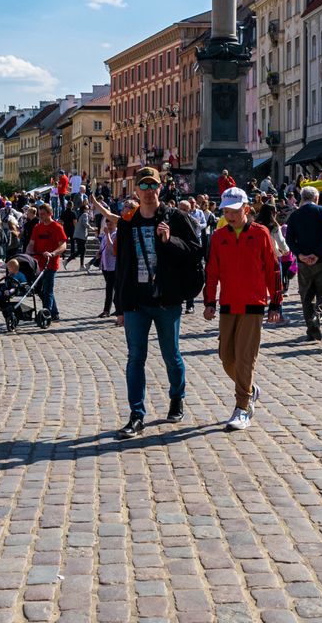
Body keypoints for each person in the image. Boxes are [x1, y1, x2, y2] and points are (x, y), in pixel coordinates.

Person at [112, 167, 205, 440]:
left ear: (160, 189)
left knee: (171, 355)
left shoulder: (176, 217)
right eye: (143, 185)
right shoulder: (127, 222)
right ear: (136, 190)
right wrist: (120, 305)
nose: (149, 191)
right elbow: (122, 266)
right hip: (136, 301)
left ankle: (177, 398)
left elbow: (196, 251)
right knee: (135, 358)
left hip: (167, 299)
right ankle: (136, 415)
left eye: (153, 185)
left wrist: (169, 240)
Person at [201, 188, 282, 431]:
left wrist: (275, 302)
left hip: (253, 304)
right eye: (226, 211)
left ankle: (242, 407)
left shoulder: (260, 233)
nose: (230, 216)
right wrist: (209, 301)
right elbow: (212, 271)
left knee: (245, 358)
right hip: (228, 304)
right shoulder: (218, 236)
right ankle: (249, 389)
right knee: (226, 357)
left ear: (246, 209)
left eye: (234, 211)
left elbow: (272, 269)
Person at [283, 187, 322, 341]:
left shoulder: (295, 214)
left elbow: (289, 239)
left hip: (303, 262)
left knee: (306, 296)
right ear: (316, 198)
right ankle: (316, 316)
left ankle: (311, 328)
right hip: (321, 260)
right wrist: (317, 253)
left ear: (302, 198)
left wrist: (300, 254)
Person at [28, 205, 68, 321]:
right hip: (38, 263)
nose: (40, 216)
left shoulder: (57, 227)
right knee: (40, 290)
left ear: (50, 214)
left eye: (43, 214)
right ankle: (54, 313)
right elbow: (31, 243)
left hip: (50, 263)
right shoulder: (37, 227)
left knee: (47, 289)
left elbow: (63, 245)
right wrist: (28, 251)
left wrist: (53, 253)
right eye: (39, 214)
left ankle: (46, 313)